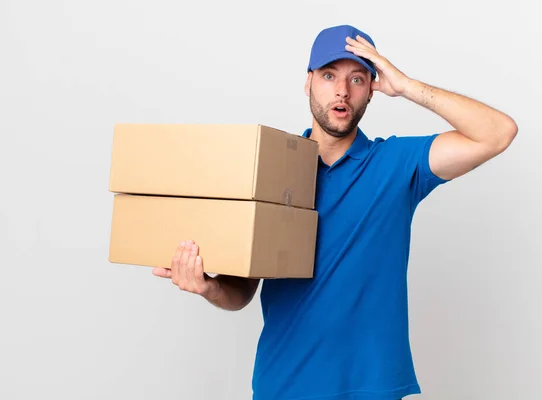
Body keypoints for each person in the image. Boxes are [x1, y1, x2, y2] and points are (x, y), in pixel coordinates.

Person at [152, 24, 518, 400]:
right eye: (329, 76)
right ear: (308, 82)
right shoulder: (270, 172)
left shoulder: (395, 165)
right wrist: (208, 286)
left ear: (373, 90)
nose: (342, 91)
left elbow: (497, 133)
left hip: (371, 390)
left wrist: (408, 86)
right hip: (283, 386)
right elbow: (241, 291)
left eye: (357, 78)